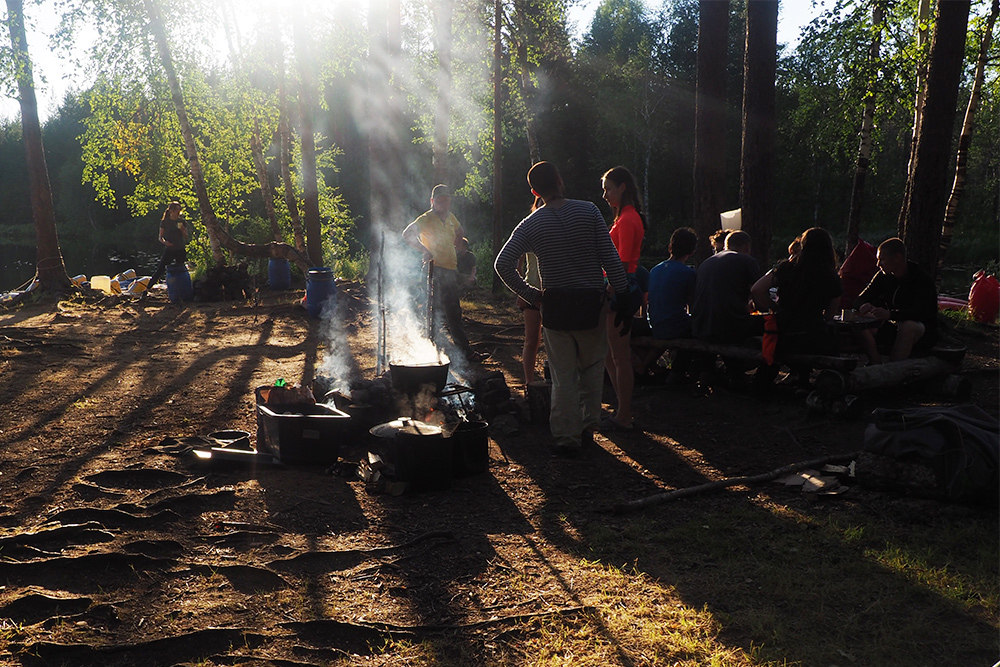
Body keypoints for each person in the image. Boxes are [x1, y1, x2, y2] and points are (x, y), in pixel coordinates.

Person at [495, 161, 633, 456]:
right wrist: (623, 296)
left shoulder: (531, 223)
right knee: (592, 368)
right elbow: (611, 260)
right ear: (559, 179)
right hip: (591, 305)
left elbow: (502, 264)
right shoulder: (589, 211)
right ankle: (587, 427)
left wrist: (534, 296)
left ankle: (566, 437)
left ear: (534, 190)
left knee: (562, 375)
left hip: (556, 308)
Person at [750, 227, 842, 384]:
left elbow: (756, 289)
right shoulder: (831, 275)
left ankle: (792, 377)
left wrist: (776, 308)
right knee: (832, 334)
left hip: (783, 335)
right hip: (813, 337)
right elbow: (830, 315)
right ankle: (806, 379)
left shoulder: (786, 267)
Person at [402, 185, 481, 361]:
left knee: (454, 313)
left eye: (446, 201)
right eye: (440, 201)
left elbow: (460, 232)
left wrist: (458, 247)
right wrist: (423, 249)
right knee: (432, 311)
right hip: (433, 271)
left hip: (450, 271)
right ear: (432, 201)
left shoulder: (451, 217)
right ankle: (430, 352)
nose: (444, 204)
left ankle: (465, 353)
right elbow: (407, 234)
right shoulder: (426, 218)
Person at [600, 166, 645, 431]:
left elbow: (625, 261)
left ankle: (624, 415)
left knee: (620, 356)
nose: (605, 194)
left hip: (621, 288)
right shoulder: (622, 218)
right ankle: (621, 408)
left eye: (608, 188)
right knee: (610, 354)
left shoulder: (629, 219)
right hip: (616, 285)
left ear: (622, 187)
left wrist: (610, 291)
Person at [854, 237, 938, 364]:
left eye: (882, 259)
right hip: (892, 326)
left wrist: (890, 315)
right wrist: (863, 306)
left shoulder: (921, 279)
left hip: (922, 330)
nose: (878, 264)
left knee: (908, 325)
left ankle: (894, 367)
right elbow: (859, 299)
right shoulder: (882, 276)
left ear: (897, 258)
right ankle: (875, 362)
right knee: (859, 323)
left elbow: (921, 313)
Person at [641, 227, 698, 380]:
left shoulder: (654, 270)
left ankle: (645, 367)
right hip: (673, 327)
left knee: (670, 323)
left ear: (670, 247)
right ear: (692, 251)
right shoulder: (688, 273)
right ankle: (679, 372)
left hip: (655, 324)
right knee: (698, 330)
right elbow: (693, 304)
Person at [692, 230, 761, 343]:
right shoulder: (746, 260)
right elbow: (759, 293)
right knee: (771, 325)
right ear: (747, 246)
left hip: (700, 328)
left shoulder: (706, 263)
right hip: (729, 327)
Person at [148, 201, 190, 290]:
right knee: (160, 269)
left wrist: (182, 230)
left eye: (179, 210)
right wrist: (165, 242)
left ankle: (182, 290)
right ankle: (147, 288)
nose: (178, 212)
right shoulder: (165, 222)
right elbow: (160, 237)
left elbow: (186, 237)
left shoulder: (181, 221)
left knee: (181, 270)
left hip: (180, 249)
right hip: (170, 249)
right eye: (177, 210)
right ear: (171, 211)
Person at [518, 248, 544, 386]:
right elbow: (517, 260)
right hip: (531, 290)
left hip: (553, 290)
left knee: (555, 340)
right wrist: (520, 288)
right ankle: (529, 383)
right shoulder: (529, 227)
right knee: (531, 339)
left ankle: (555, 383)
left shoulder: (561, 228)